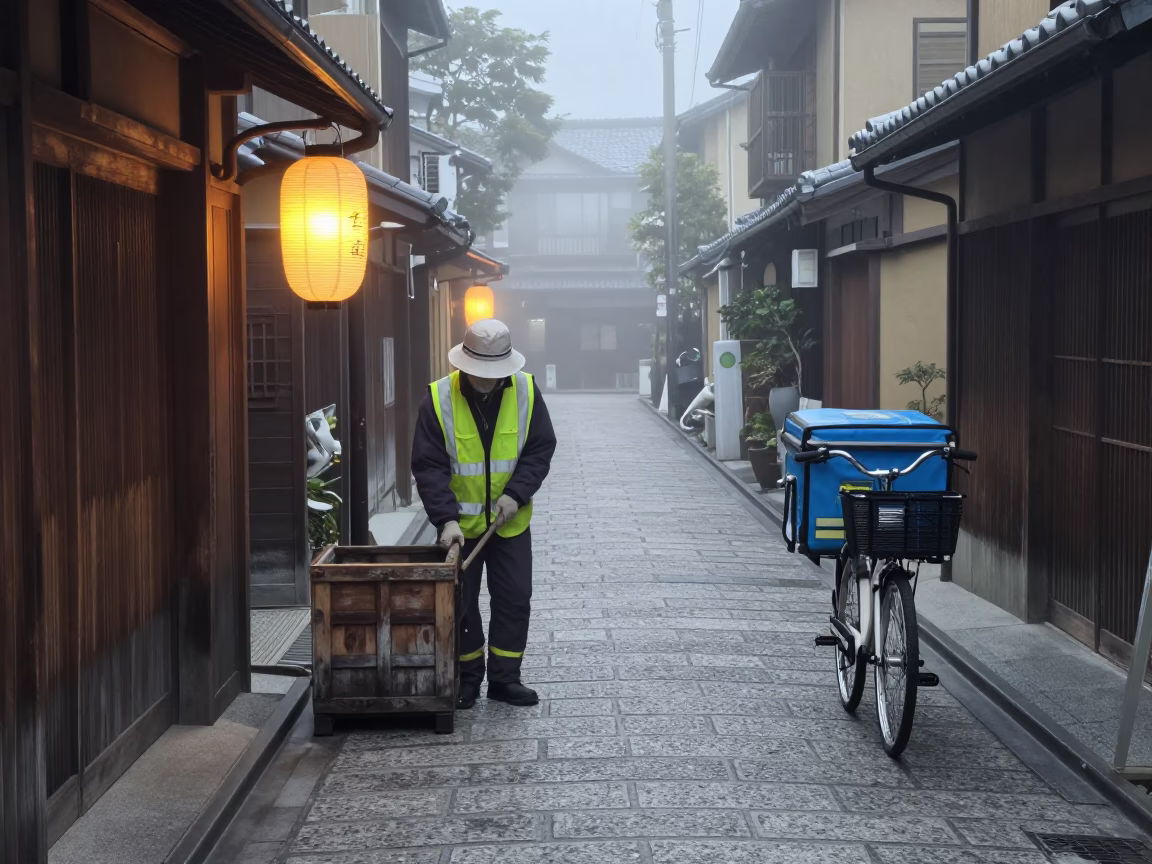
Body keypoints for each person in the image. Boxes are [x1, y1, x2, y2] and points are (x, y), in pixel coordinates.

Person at [412, 318, 556, 710]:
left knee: (514, 597)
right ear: (463, 365)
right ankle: (468, 679)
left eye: (493, 374)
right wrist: (446, 519)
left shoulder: (526, 390)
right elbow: (428, 466)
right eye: (479, 373)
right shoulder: (439, 399)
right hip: (460, 526)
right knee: (461, 601)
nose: (486, 380)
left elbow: (540, 447)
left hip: (509, 523)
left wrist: (517, 493)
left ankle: (506, 679)